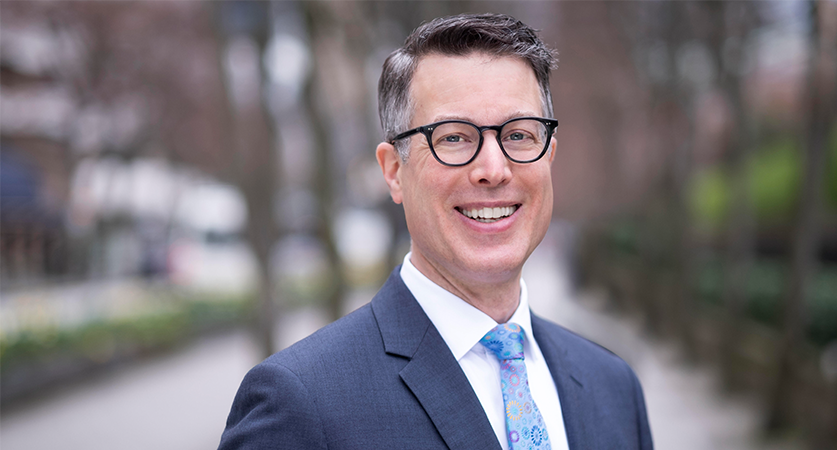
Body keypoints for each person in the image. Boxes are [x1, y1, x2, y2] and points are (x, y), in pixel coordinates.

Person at [219, 13, 652, 450]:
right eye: (454, 138)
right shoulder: (300, 404)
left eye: (519, 135)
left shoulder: (614, 388)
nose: (493, 169)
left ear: (549, 157)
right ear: (393, 171)